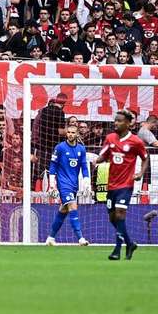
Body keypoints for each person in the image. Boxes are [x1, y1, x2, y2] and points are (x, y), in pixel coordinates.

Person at [94, 109, 147, 260]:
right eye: (115, 120)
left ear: (128, 123)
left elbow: (145, 158)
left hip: (126, 184)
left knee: (119, 214)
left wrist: (140, 173)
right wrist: (96, 161)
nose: (116, 123)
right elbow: (103, 155)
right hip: (111, 185)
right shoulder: (110, 138)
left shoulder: (136, 141)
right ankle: (130, 243)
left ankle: (117, 250)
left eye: (119, 121)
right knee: (113, 218)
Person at [45, 123, 91, 246]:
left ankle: (51, 237)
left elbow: (84, 167)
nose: (70, 134)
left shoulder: (81, 149)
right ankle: (80, 238)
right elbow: (53, 166)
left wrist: (86, 181)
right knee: (72, 205)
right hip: (63, 182)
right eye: (68, 132)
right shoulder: (60, 147)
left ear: (77, 134)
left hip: (73, 184)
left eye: (72, 132)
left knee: (64, 209)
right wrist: (52, 184)